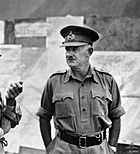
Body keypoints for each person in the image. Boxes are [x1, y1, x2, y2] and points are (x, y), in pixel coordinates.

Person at [36, 25, 125, 154]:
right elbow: (44, 116)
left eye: (75, 49)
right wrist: (49, 147)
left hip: (98, 149)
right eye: (67, 49)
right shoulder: (54, 81)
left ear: (89, 52)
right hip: (64, 149)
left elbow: (116, 115)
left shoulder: (107, 80)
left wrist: (112, 147)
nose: (69, 54)